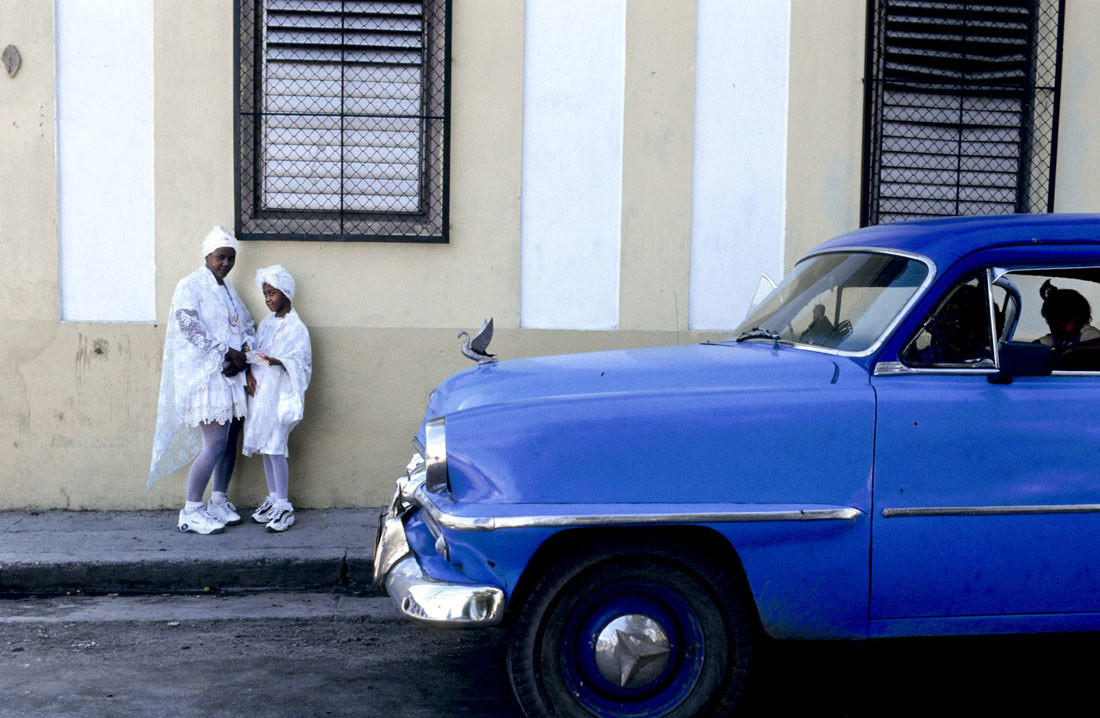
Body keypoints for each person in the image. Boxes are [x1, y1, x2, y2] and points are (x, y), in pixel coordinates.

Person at [148, 226, 256, 534]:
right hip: (207, 377)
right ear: (207, 255)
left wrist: (243, 352)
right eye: (221, 257)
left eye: (230, 258)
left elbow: (245, 324)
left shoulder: (228, 290)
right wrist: (226, 352)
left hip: (231, 375)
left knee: (230, 439)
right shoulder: (191, 285)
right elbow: (189, 326)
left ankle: (218, 501)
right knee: (215, 443)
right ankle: (191, 509)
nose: (226, 263)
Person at [242, 265, 312, 532]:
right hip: (262, 395)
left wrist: (279, 361)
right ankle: (273, 498)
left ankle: (284, 505)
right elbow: (259, 350)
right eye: (265, 294)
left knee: (277, 447)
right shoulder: (266, 324)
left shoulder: (297, 328)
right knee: (266, 448)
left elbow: (303, 364)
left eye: (272, 293)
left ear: (285, 292)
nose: (269, 299)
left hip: (281, 395)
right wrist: (251, 367)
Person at [1037, 280, 1100, 348]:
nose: (1059, 325)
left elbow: (1097, 344)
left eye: (1065, 319)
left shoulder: (1088, 334)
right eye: (1052, 321)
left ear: (1079, 317)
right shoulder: (1062, 337)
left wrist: (1073, 350)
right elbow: (1039, 344)